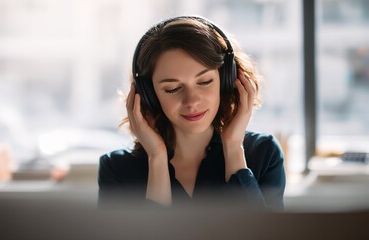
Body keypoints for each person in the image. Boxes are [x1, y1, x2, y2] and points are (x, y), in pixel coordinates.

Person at [98, 16, 286, 210]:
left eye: (204, 82)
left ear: (226, 79)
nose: (192, 101)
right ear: (149, 95)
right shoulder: (116, 170)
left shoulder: (264, 155)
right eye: (172, 88)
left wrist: (233, 147)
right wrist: (157, 160)